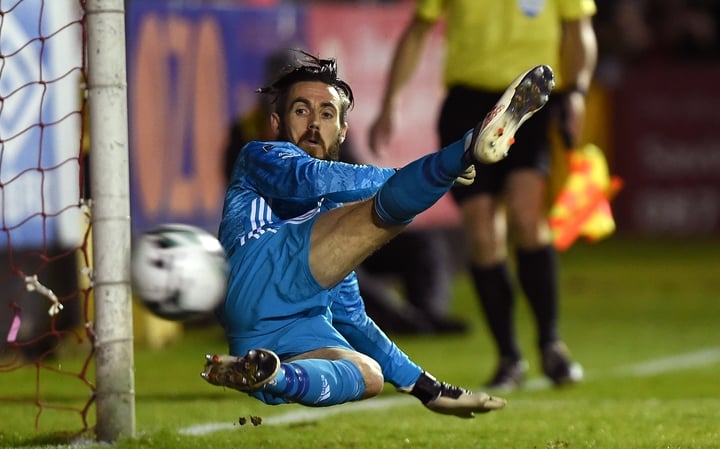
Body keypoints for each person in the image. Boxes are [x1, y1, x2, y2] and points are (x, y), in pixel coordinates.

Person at [202, 50, 553, 416]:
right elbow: (310, 179)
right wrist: (438, 170)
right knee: (383, 213)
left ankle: (265, 375)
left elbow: (354, 321)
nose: (313, 124)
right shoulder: (259, 156)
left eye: (326, 114)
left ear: (342, 130)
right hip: (255, 279)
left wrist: (428, 389)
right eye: (301, 111)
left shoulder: (330, 226)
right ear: (276, 121)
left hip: (282, 335)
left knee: (367, 374)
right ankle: (466, 147)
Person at [369, 1, 598, 391]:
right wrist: (391, 101)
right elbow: (418, 30)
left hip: (533, 101)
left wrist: (576, 91)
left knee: (527, 217)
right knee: (482, 232)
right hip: (468, 106)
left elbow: (579, 29)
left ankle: (550, 343)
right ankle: (509, 357)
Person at [225, 48, 468, 336]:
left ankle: (428, 314)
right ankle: (404, 323)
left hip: (339, 224)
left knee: (421, 243)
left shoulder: (327, 125)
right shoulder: (247, 136)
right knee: (341, 271)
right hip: (288, 248)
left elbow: (355, 178)